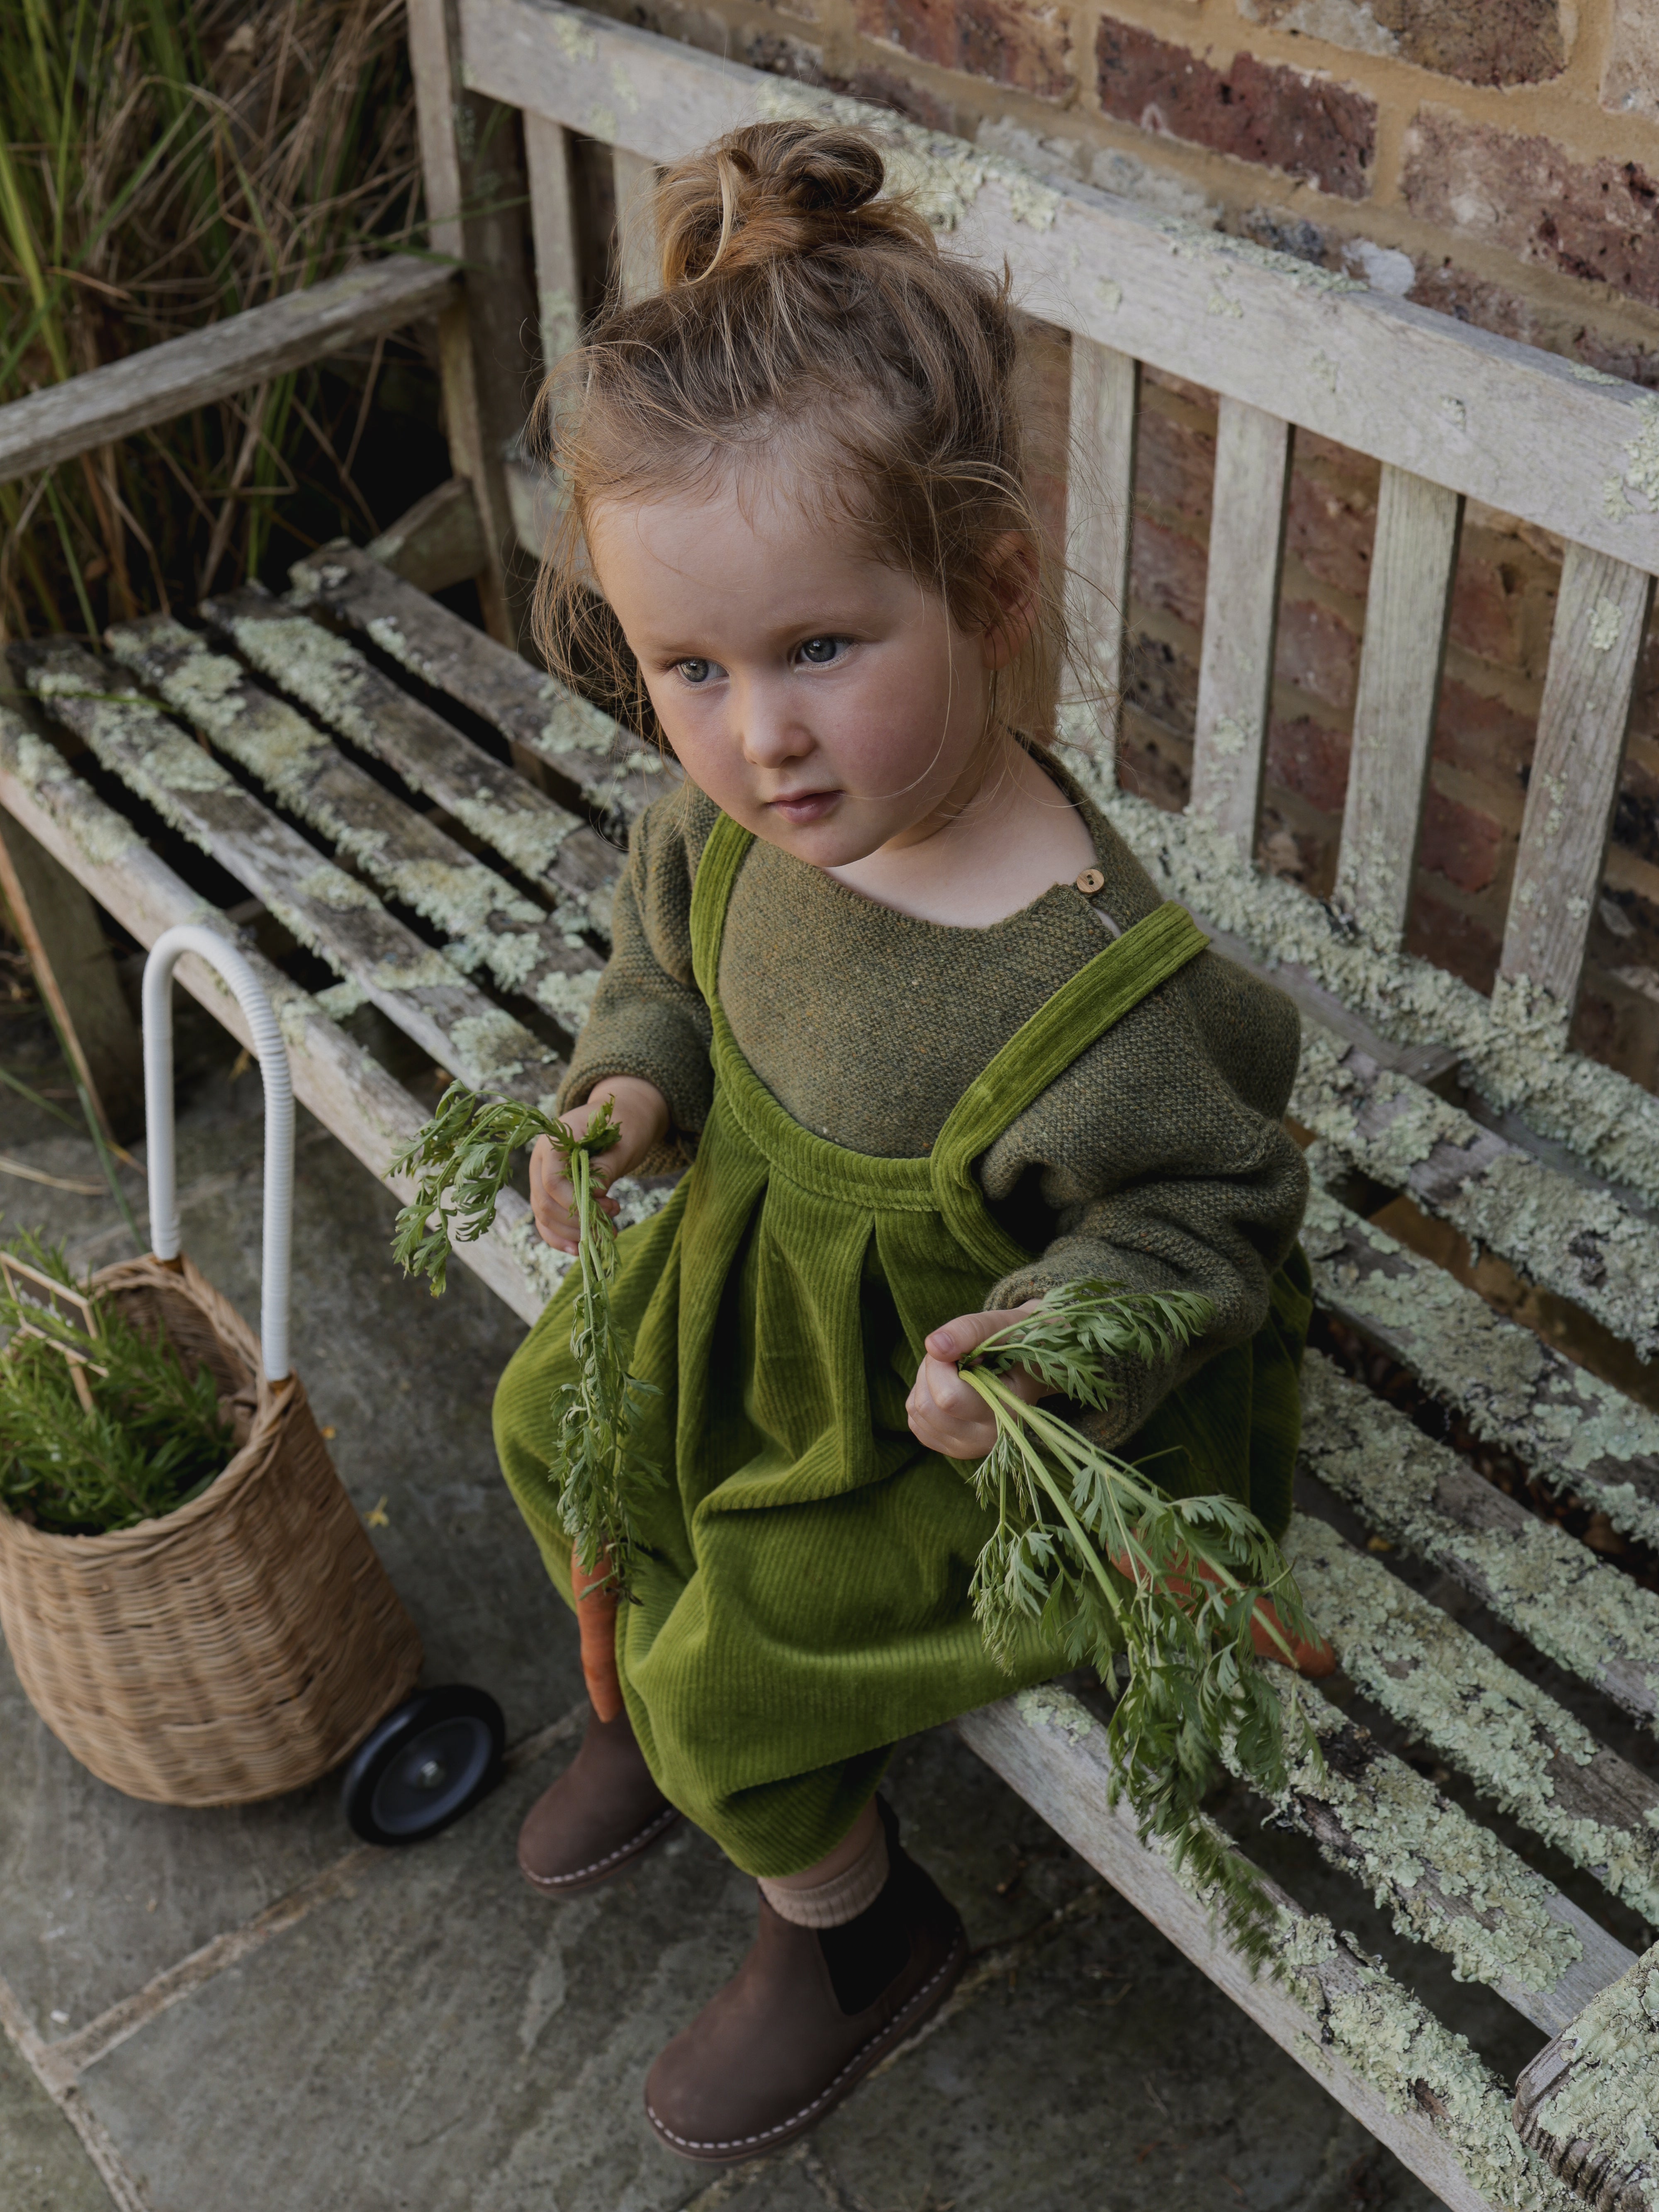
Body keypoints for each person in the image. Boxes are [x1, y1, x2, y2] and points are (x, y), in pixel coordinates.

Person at [493, 115, 1325, 2164]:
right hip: (759, 1305)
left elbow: (1209, 1214)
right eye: (688, 667)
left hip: (946, 1421)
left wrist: (1048, 1350)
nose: (753, 732)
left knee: (744, 1662)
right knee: (549, 1413)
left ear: (987, 590)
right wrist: (632, 1080)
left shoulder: (1080, 991)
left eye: (817, 651)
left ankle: (852, 1925)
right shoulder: (747, 812)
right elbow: (665, 943)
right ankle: (630, 1688)